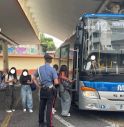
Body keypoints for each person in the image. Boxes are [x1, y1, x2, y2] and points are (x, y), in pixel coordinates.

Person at [32, 54, 59, 127]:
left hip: (42, 90)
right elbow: (56, 82)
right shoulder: (52, 69)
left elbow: (33, 78)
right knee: (49, 108)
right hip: (50, 90)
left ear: (44, 60)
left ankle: (41, 123)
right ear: (50, 61)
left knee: (41, 107)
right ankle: (49, 124)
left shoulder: (39, 69)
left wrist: (38, 86)